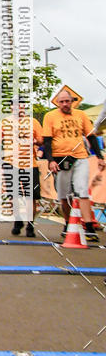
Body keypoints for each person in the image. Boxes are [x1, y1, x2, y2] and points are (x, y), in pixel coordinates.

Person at [42, 89, 104, 242]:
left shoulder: (81, 115)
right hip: (61, 159)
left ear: (72, 102)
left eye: (67, 101)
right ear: (57, 103)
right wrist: (51, 161)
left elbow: (91, 137)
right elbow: (47, 141)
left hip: (80, 157)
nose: (65, 104)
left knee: (82, 191)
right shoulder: (50, 116)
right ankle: (68, 223)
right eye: (61, 102)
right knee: (63, 195)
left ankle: (89, 227)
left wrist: (100, 157)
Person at [0, 102, 43, 236]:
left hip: (30, 163)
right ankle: (18, 220)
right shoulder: (5, 122)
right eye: (13, 106)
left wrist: (34, 141)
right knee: (13, 195)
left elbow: (41, 140)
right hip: (10, 162)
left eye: (19, 105)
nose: (17, 108)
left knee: (30, 196)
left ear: (24, 107)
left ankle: (30, 225)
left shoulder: (33, 122)